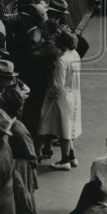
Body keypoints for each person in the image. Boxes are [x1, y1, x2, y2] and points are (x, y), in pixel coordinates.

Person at [39, 28, 83, 170]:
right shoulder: (75, 54)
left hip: (62, 97)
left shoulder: (62, 59)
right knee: (69, 127)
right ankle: (72, 156)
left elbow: (58, 83)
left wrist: (49, 95)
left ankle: (65, 160)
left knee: (64, 129)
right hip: (74, 93)